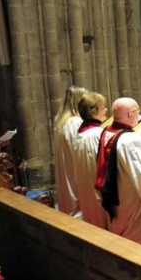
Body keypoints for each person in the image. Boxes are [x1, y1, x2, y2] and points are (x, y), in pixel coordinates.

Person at [95, 97, 141, 244]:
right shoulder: (131, 140)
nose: (139, 115)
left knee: (119, 230)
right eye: (137, 112)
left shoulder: (107, 131)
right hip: (130, 198)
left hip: (114, 196)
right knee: (133, 239)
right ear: (131, 115)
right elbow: (140, 176)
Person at [71, 91, 110, 229]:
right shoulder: (96, 134)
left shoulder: (82, 133)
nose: (106, 110)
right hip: (97, 191)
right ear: (94, 110)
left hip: (86, 189)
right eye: (103, 107)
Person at [53, 85, 86, 216]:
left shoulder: (60, 120)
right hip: (74, 167)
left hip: (66, 165)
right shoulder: (75, 122)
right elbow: (78, 149)